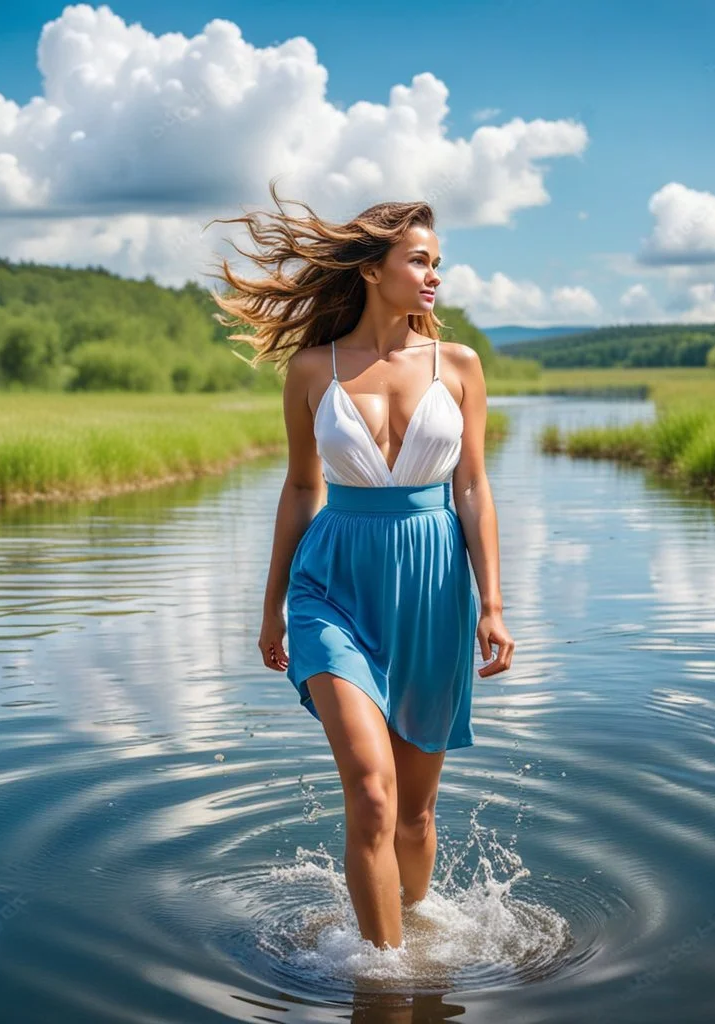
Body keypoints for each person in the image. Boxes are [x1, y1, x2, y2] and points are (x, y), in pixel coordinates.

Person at [207, 182, 514, 951]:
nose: (434, 275)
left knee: (414, 815)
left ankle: (410, 925)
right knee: (373, 797)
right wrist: (273, 605)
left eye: (438, 262)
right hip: (330, 589)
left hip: (433, 592)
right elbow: (302, 488)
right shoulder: (313, 369)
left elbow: (472, 488)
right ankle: (384, 983)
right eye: (419, 259)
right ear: (372, 270)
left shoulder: (462, 364)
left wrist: (493, 604)